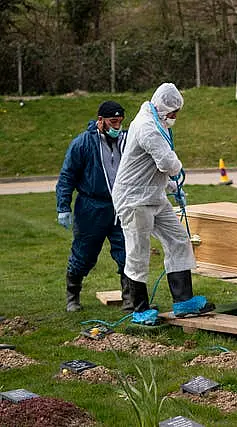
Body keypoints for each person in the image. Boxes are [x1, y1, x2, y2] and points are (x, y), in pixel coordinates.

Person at [112, 83, 213, 325]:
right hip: (134, 199)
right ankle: (139, 308)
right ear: (163, 108)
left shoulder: (157, 122)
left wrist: (172, 187)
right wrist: (177, 172)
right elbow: (168, 162)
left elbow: (150, 168)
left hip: (153, 195)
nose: (175, 117)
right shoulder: (147, 127)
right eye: (174, 112)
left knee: (178, 239)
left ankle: (183, 300)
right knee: (138, 251)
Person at [56, 101, 133, 313]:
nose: (117, 126)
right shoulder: (82, 143)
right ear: (100, 121)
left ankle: (129, 298)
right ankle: (73, 295)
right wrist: (63, 206)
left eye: (120, 122)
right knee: (84, 253)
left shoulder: (126, 141)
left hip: (120, 205)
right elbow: (67, 176)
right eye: (113, 122)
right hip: (91, 207)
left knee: (127, 252)